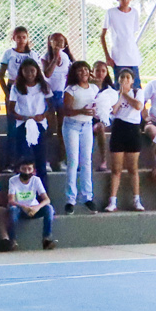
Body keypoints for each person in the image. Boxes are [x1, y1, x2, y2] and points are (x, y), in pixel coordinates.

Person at [104, 68, 146, 212]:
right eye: (123, 77)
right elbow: (113, 111)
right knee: (116, 168)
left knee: (133, 168)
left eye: (128, 77)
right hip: (119, 128)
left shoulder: (137, 92)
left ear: (132, 80)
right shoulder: (115, 94)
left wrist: (125, 94)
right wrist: (119, 96)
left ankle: (136, 199)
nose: (125, 80)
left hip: (133, 129)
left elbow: (138, 106)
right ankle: (112, 201)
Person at [60, 62, 98, 213]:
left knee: (86, 161)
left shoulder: (94, 88)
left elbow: (96, 105)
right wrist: (81, 111)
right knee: (73, 161)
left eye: (85, 70)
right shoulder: (71, 90)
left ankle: (87, 196)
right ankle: (70, 199)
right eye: (80, 70)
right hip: (72, 126)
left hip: (87, 126)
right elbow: (66, 111)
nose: (83, 72)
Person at [7, 59, 51, 177]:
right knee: (24, 157)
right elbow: (11, 108)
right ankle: (22, 189)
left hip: (39, 124)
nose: (30, 74)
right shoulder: (16, 87)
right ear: (21, 72)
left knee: (40, 159)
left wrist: (42, 116)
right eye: (26, 71)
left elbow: (50, 106)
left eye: (32, 71)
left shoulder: (44, 85)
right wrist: (23, 117)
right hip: (22, 124)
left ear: (37, 71)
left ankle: (42, 192)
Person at [41, 32, 75, 167]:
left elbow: (69, 76)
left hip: (61, 94)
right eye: (55, 40)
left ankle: (61, 160)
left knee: (63, 129)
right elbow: (47, 74)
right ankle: (46, 161)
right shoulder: (45, 57)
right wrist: (55, 57)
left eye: (61, 41)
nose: (58, 43)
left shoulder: (67, 58)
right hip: (49, 95)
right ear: (50, 42)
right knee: (50, 128)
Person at [99, 0, 143, 87]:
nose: (126, 0)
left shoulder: (134, 13)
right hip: (118, 57)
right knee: (120, 86)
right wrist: (107, 56)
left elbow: (132, 33)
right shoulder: (111, 12)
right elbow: (102, 36)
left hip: (132, 56)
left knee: (136, 86)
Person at [8, 157, 55, 250]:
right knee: (13, 210)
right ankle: (12, 241)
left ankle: (46, 238)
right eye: (24, 169)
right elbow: (11, 200)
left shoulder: (36, 180)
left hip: (34, 208)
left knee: (49, 209)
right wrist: (24, 207)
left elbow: (46, 199)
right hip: (20, 209)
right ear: (19, 170)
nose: (26, 172)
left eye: (29, 169)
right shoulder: (13, 180)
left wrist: (37, 207)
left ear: (33, 171)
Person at [0, 26, 36, 106]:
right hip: (12, 84)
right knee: (12, 114)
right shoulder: (8, 53)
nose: (21, 40)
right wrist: (6, 92)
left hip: (27, 86)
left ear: (27, 38)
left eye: (24, 37)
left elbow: (36, 73)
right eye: (18, 37)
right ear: (14, 38)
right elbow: (1, 76)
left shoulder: (32, 54)